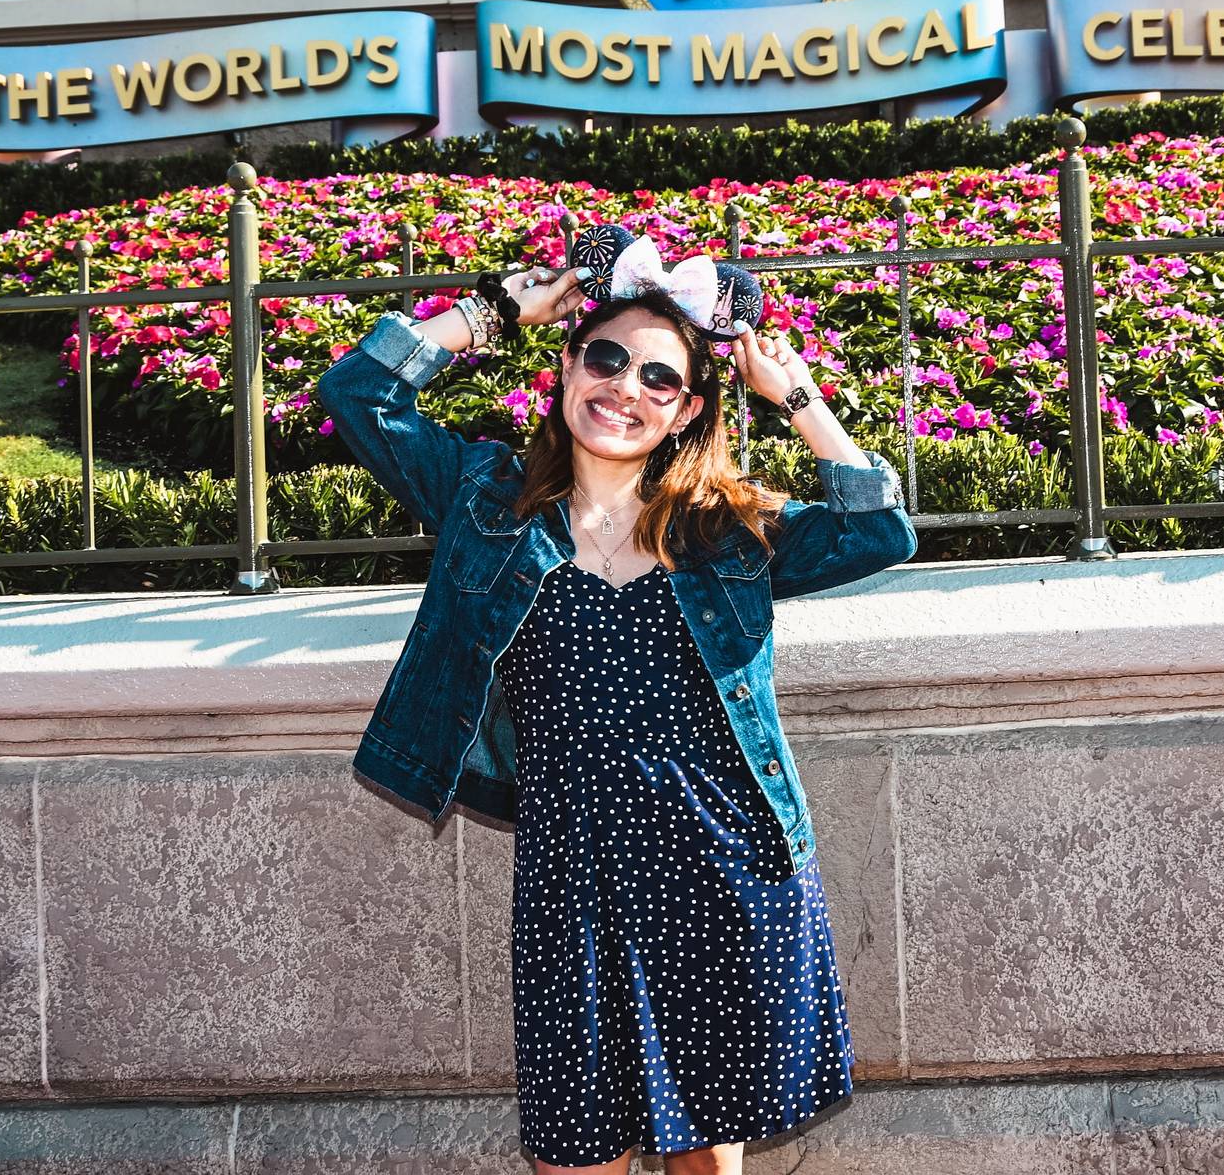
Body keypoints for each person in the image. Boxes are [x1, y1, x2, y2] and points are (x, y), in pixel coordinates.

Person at [315, 251, 918, 1175]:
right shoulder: (490, 503)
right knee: (574, 1158)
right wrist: (486, 313)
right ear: (566, 367)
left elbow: (880, 529)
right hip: (571, 879)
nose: (624, 388)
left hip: (718, 870)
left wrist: (791, 390)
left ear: (687, 409)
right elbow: (359, 392)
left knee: (703, 1164)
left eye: (659, 376)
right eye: (604, 359)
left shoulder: (728, 532)